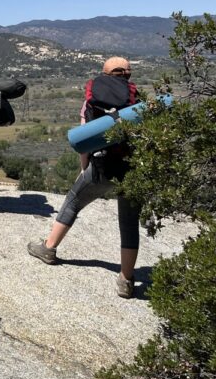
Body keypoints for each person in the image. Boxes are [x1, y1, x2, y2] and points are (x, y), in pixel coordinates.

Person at [27, 57, 142, 298]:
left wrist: (85, 167)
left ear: (105, 73)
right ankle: (126, 280)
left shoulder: (93, 97)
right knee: (129, 224)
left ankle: (48, 249)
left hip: (102, 165)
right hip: (132, 168)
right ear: (127, 75)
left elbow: (84, 139)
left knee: (73, 201)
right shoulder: (136, 100)